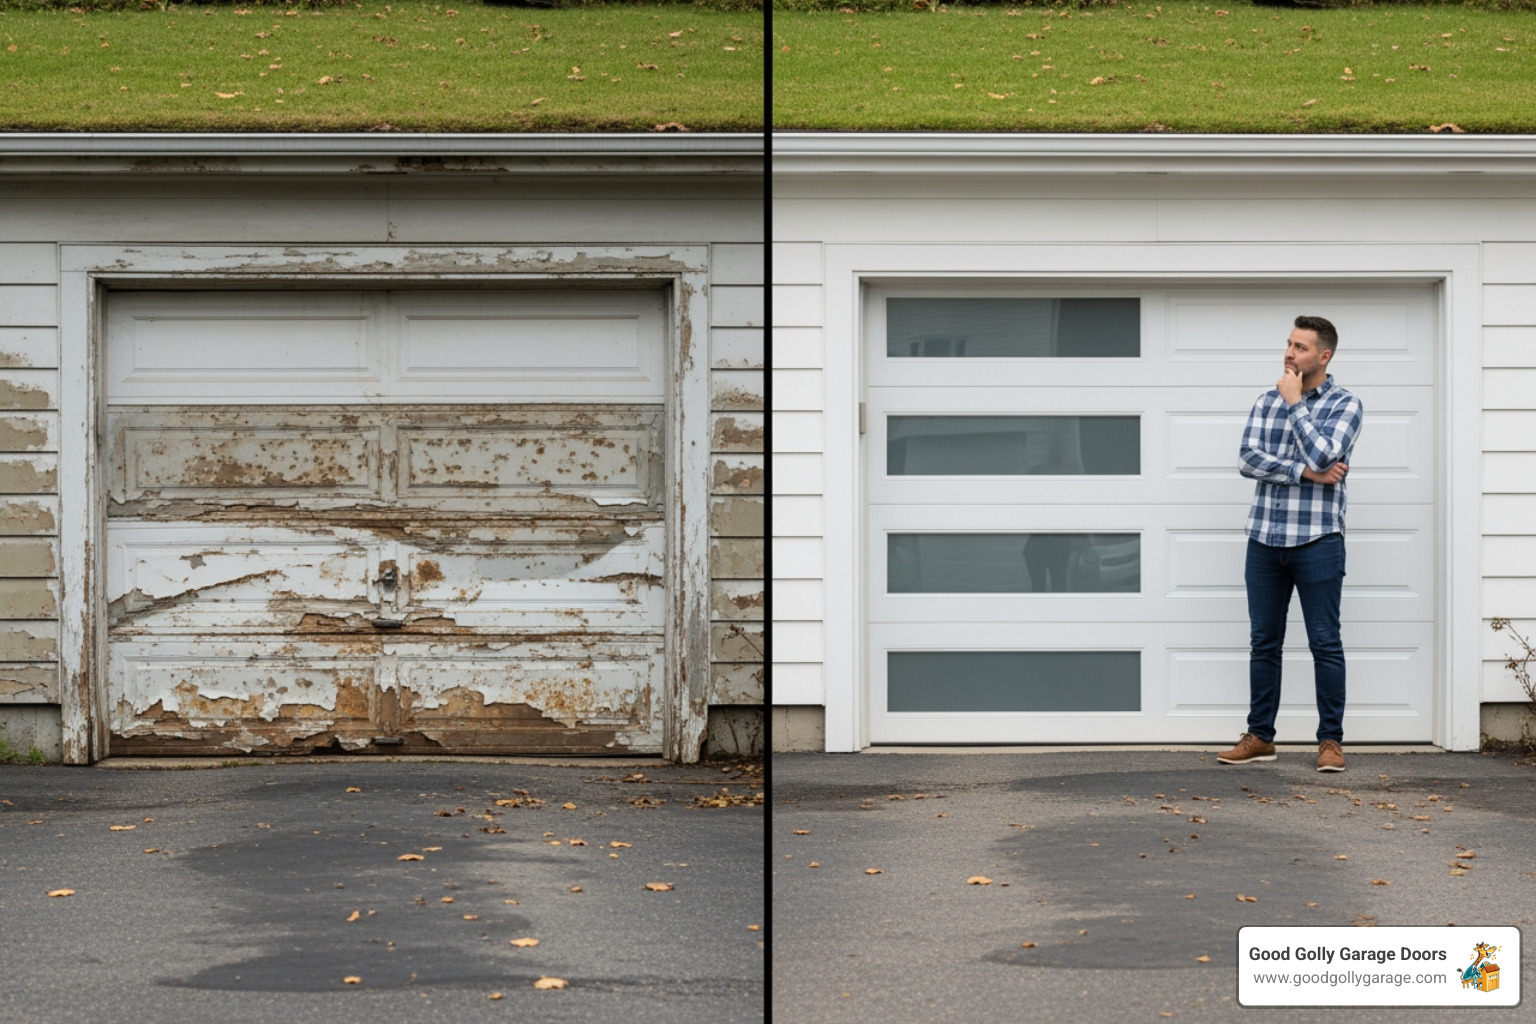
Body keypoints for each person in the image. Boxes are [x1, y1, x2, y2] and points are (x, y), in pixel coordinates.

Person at [1218, 315, 1363, 772]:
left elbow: (1326, 454)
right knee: (1264, 641)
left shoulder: (1346, 404)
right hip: (1264, 538)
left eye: (1300, 347)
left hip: (1318, 540)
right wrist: (1304, 473)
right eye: (1288, 344)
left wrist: (1296, 404)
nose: (1289, 354)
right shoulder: (1266, 400)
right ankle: (1260, 735)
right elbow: (1247, 459)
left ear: (1324, 356)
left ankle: (1330, 742)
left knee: (1325, 642)